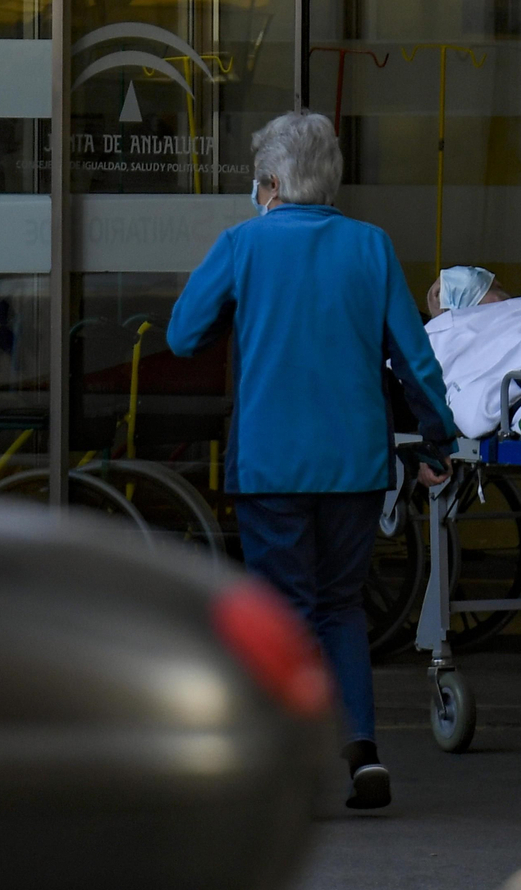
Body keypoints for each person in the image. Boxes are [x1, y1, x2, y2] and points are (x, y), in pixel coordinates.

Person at [167, 110, 458, 810]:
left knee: (284, 610)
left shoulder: (243, 244)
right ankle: (362, 753)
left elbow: (182, 334)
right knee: (340, 606)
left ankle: (286, 761)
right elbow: (413, 357)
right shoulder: (371, 246)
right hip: (354, 463)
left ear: (269, 182)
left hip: (270, 463)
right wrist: (436, 438)